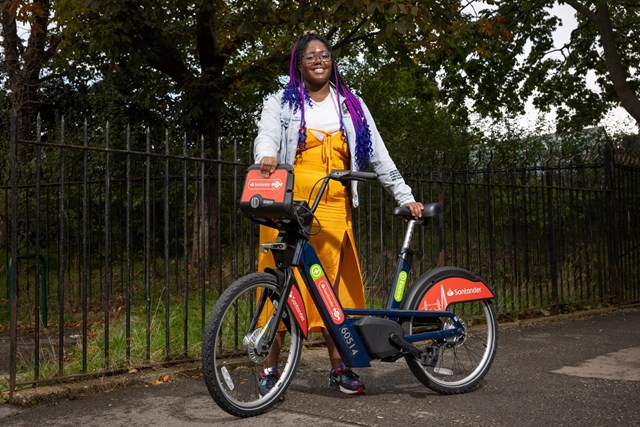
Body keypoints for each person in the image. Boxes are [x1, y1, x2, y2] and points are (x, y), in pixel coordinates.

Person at [253, 31, 424, 396]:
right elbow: (266, 135)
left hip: (333, 208)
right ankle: (269, 369)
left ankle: (341, 368)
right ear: (299, 64)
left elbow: (378, 154)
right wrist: (266, 155)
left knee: (335, 292)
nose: (319, 60)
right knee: (279, 288)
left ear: (332, 62)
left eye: (325, 55)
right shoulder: (281, 102)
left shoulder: (351, 104)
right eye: (311, 56)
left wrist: (404, 195)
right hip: (289, 204)